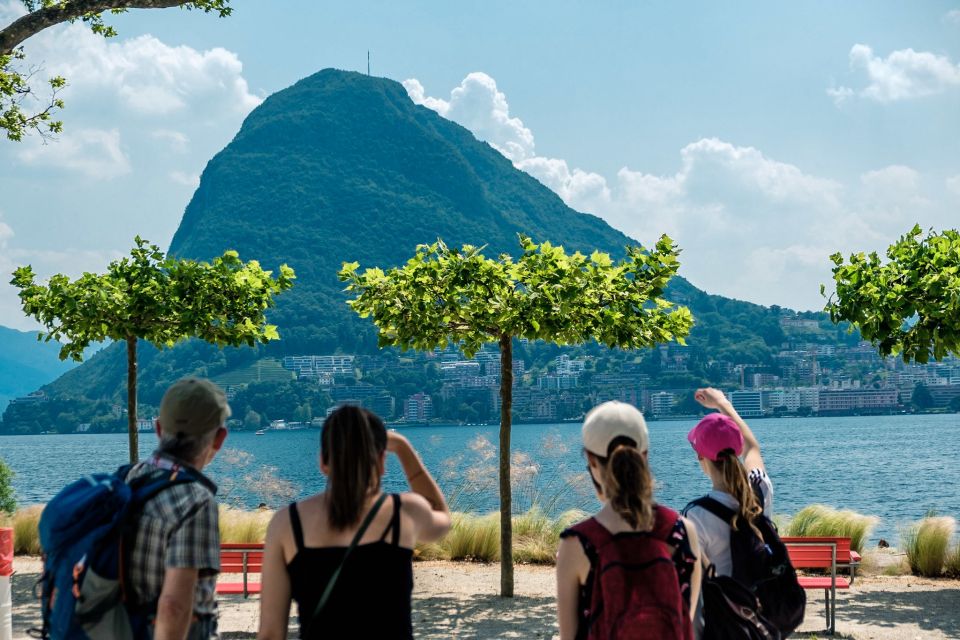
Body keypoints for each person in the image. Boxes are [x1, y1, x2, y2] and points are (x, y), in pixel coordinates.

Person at [257, 405, 451, 640]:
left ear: (323, 462)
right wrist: (402, 447)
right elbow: (441, 516)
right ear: (381, 462)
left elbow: (270, 633)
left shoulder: (287, 523)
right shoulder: (405, 512)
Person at [556, 401, 702, 640]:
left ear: (592, 461)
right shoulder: (683, 532)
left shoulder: (577, 545)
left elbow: (569, 636)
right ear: (644, 456)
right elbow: (683, 622)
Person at [125, 377, 230, 640]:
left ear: (159, 429)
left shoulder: (128, 479)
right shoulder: (195, 500)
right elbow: (174, 606)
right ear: (219, 438)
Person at [684, 387, 773, 635]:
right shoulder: (761, 489)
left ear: (701, 457)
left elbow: (691, 590)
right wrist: (723, 403)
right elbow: (753, 449)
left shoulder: (695, 515)